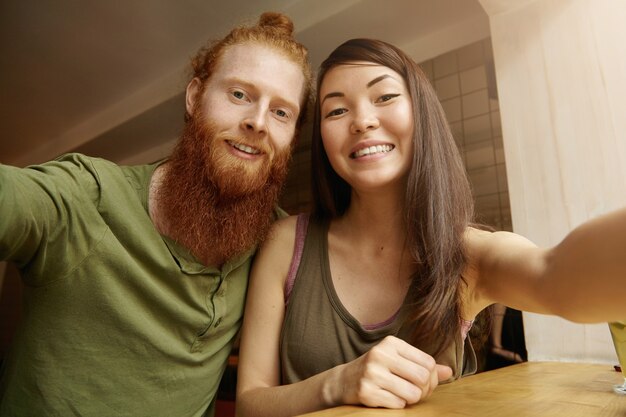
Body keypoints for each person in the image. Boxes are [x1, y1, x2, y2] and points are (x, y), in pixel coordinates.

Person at [235, 38, 626, 417]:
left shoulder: (467, 254)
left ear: (421, 112)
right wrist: (337, 384)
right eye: (336, 111)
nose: (362, 121)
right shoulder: (285, 242)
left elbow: (554, 274)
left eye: (384, 97)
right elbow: (250, 404)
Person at [0, 12, 311, 417]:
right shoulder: (85, 196)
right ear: (194, 96)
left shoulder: (277, 239)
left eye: (281, 112)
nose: (257, 122)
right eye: (239, 94)